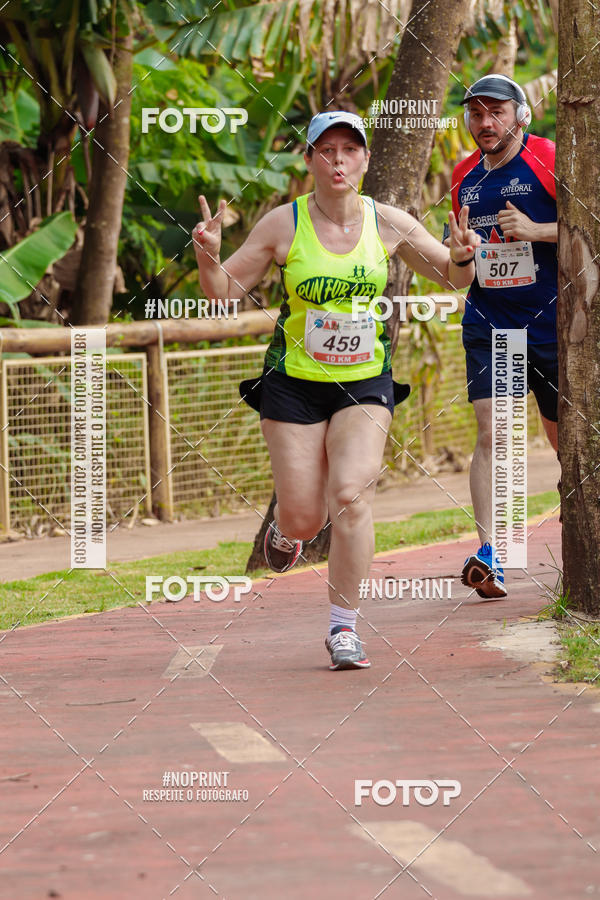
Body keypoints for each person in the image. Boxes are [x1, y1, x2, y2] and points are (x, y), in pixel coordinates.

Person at [194, 109, 478, 669]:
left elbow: (451, 276)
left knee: (351, 495)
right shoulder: (283, 224)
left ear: (366, 159)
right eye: (327, 150)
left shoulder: (388, 222)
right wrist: (208, 252)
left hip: (364, 381)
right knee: (306, 518)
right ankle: (287, 530)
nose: (339, 160)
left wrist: (465, 256)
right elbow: (222, 293)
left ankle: (343, 627)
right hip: (293, 383)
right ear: (310, 160)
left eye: (350, 150)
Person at [450, 75, 558, 599]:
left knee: (571, 447)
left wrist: (539, 231)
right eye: (475, 113)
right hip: (493, 322)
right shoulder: (462, 177)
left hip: (557, 329)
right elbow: (459, 274)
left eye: (495, 112)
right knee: (495, 434)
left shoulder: (550, 158)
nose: (484, 123)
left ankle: (583, 539)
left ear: (521, 114)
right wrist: (459, 256)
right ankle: (490, 553)